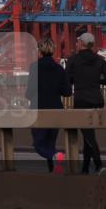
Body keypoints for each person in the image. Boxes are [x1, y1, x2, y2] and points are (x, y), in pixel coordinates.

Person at [65, 32, 106, 176]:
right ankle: (85, 168)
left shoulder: (73, 60)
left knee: (88, 134)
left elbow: (67, 81)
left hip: (81, 101)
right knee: (88, 133)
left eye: (78, 41)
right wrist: (97, 81)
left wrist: (77, 81)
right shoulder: (100, 60)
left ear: (82, 44)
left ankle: (99, 164)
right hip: (97, 100)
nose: (77, 43)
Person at [25, 38, 70, 174]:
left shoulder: (34, 67)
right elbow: (67, 92)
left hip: (38, 110)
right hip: (56, 109)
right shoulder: (59, 69)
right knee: (50, 143)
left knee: (39, 144)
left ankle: (55, 156)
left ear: (40, 51)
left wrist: (29, 96)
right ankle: (54, 169)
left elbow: (30, 91)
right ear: (53, 50)